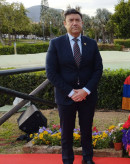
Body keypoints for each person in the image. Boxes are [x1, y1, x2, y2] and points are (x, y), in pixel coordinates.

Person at [46, 8, 103, 164]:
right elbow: (51, 73)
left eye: (77, 20)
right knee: (66, 133)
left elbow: (98, 69)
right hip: (65, 97)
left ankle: (88, 158)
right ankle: (67, 160)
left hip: (87, 97)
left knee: (86, 130)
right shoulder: (56, 44)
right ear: (65, 24)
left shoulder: (91, 44)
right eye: (71, 20)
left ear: (82, 23)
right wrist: (71, 92)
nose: (74, 23)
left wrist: (85, 91)